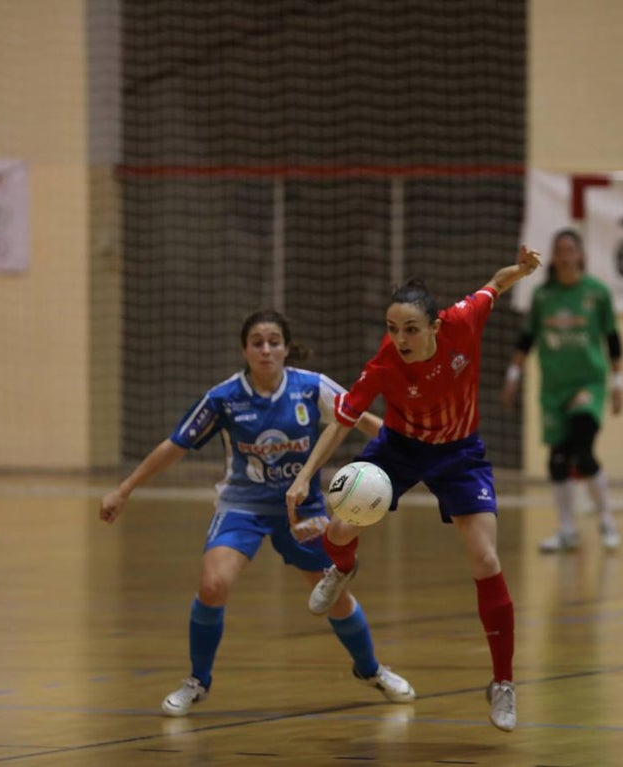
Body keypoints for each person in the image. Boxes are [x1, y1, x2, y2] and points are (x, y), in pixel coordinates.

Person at [99, 310, 415, 717]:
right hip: (242, 506)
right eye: (257, 343)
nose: (266, 350)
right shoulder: (224, 397)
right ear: (245, 350)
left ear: (286, 348)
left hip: (302, 508)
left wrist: (412, 455)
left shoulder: (309, 387)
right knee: (213, 584)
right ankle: (197, 681)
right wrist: (124, 489)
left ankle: (371, 670)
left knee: (335, 596)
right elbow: (175, 445)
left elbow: (362, 420)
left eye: (274, 342)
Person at [285, 245, 543, 733]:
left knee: (485, 559)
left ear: (434, 326)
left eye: (409, 329)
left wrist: (523, 269)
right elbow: (342, 422)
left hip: (460, 453)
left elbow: (497, 283)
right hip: (399, 448)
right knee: (339, 529)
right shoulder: (384, 362)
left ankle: (503, 683)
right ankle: (341, 570)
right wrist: (304, 477)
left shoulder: (464, 322)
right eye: (391, 328)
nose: (399, 339)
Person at [501, 229, 623, 554]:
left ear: (580, 255)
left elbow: (612, 339)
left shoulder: (597, 294)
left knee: (582, 454)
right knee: (557, 461)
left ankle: (607, 520)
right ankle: (567, 530)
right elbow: (525, 340)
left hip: (588, 384)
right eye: (559, 251)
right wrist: (513, 375)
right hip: (554, 388)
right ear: (554, 257)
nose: (565, 256)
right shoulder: (543, 296)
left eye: (570, 250)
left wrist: (618, 384)